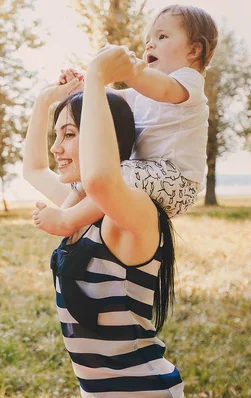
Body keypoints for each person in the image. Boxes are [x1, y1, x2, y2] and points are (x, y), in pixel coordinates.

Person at [23, 45, 184, 398]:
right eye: (56, 135)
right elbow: (34, 168)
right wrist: (45, 101)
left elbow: (101, 179)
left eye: (68, 134)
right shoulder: (80, 204)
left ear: (102, 136)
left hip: (145, 392)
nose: (56, 148)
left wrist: (96, 78)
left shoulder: (131, 210)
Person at [34, 5, 218, 236]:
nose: (150, 45)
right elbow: (106, 101)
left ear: (194, 50)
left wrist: (129, 70)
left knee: (114, 173)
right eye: (148, 40)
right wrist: (83, 85)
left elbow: (162, 89)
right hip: (144, 174)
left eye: (162, 37)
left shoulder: (187, 80)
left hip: (176, 181)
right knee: (94, 174)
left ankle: (68, 221)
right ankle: (65, 212)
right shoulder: (143, 92)